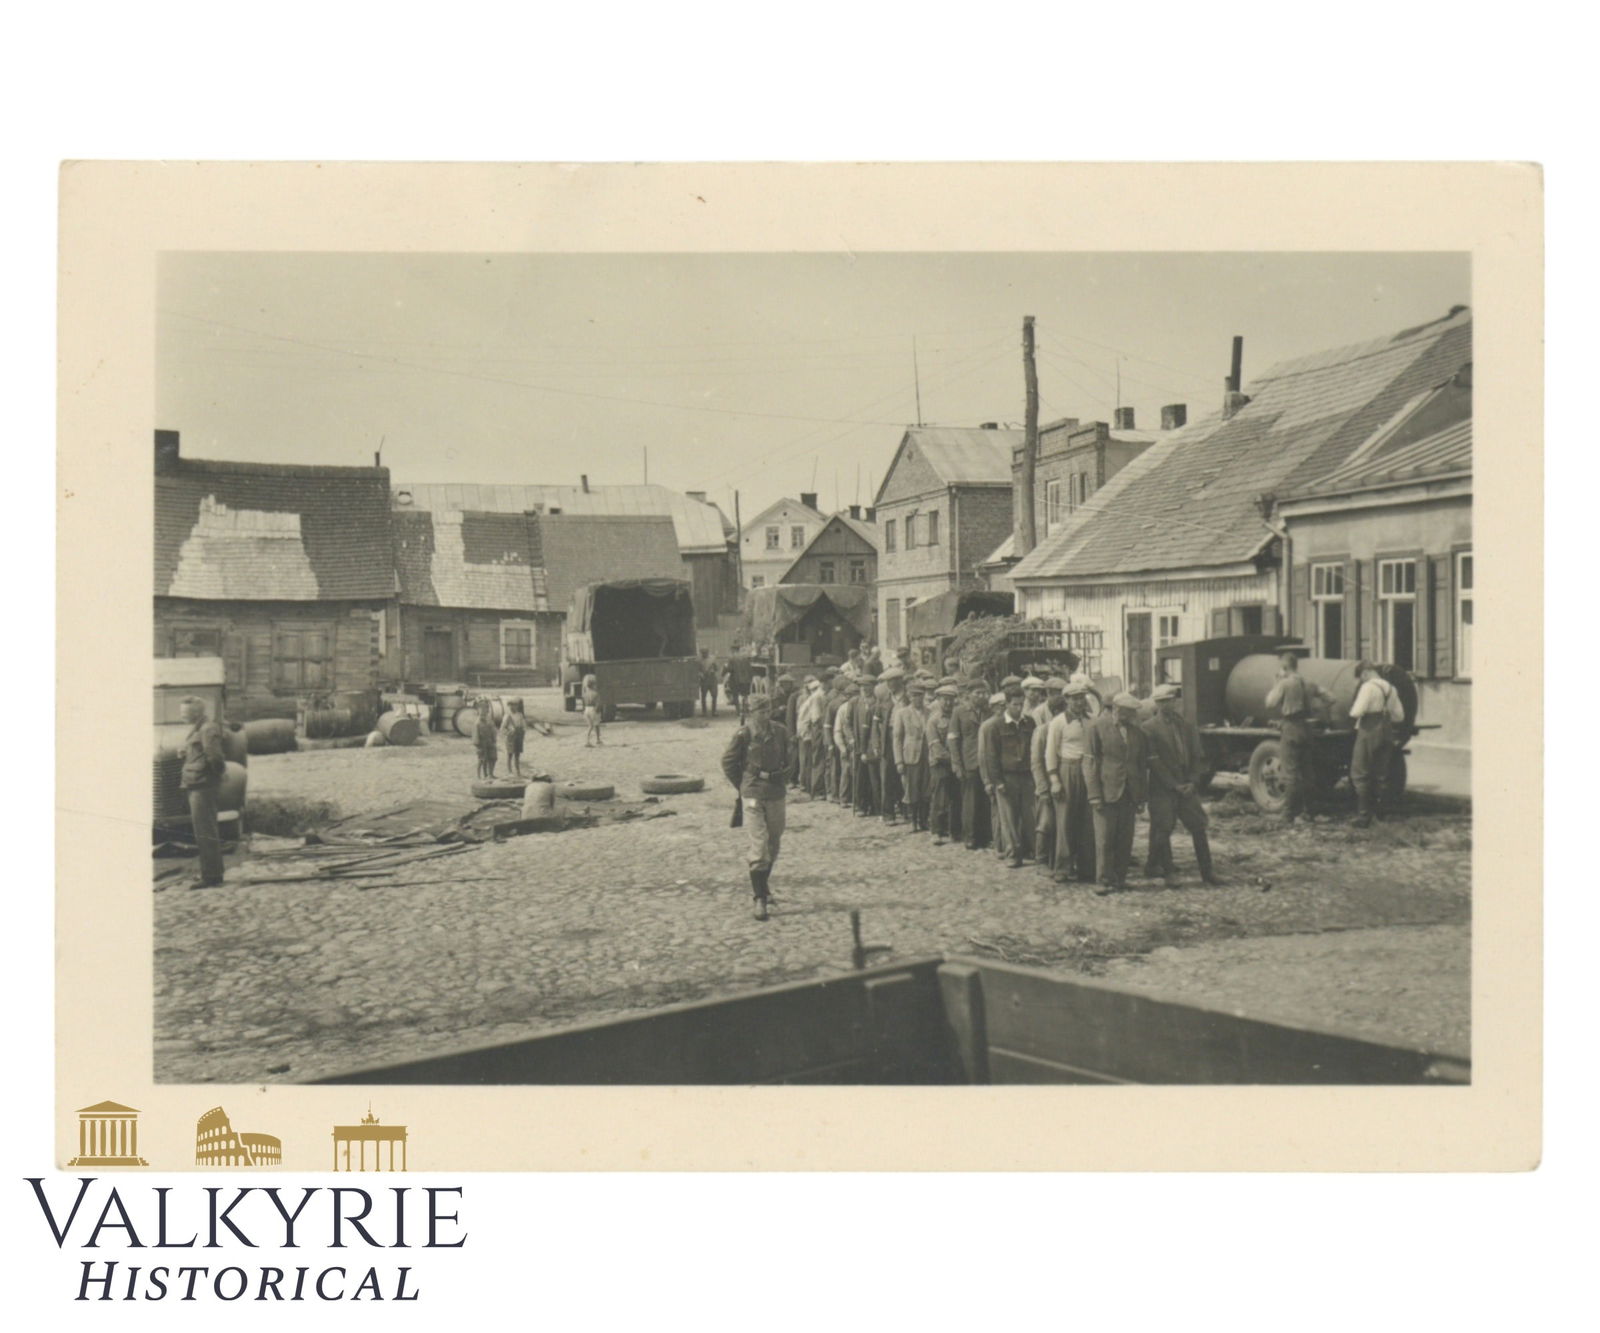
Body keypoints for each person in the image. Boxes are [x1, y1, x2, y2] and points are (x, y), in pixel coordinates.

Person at [1142, 683, 1222, 887]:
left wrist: (1193, 782)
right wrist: (1173, 785)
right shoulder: (1149, 728)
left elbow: (1197, 756)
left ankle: (1207, 872)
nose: (1168, 704)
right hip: (1163, 788)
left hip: (1187, 786)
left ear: (1175, 701)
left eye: (1171, 700)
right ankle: (1168, 872)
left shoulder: (1186, 725)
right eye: (1162, 701)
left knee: (1198, 826)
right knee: (1163, 829)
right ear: (1157, 704)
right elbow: (1153, 761)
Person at [721, 693, 791, 921]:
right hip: (752, 792)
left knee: (774, 842)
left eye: (767, 711)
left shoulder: (780, 731)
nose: (765, 715)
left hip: (775, 791)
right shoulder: (744, 734)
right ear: (752, 713)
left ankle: (764, 885)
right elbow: (729, 762)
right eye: (760, 711)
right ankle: (759, 898)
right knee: (759, 845)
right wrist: (742, 786)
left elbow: (791, 758)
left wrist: (784, 777)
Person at [1084, 692, 1149, 894]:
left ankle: (1120, 878)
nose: (1129, 716)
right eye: (1126, 712)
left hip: (1129, 793)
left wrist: (1141, 797)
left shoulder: (1137, 733)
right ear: (1116, 709)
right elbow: (1090, 762)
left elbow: (1141, 765)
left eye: (1132, 713)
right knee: (1104, 839)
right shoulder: (1096, 727)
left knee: (1125, 839)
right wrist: (1094, 794)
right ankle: (1103, 880)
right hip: (1106, 791)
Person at [1263, 650, 1332, 823]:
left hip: (1291, 728)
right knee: (1308, 772)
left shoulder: (1285, 683)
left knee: (1290, 773)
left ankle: (1287, 814)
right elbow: (1331, 698)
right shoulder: (1309, 683)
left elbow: (1269, 703)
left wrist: (1276, 682)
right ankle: (1310, 812)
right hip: (1307, 728)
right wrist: (1315, 709)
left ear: (1285, 667)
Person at [1047, 681, 1098, 884]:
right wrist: (1054, 780)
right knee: (1065, 819)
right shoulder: (1059, 722)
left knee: (1087, 821)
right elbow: (1050, 752)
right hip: (1068, 770)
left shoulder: (1092, 720)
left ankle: (1087, 867)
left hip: (1089, 771)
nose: (1079, 702)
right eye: (1074, 698)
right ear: (1067, 700)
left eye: (1081, 698)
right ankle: (1063, 867)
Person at [979, 689, 1036, 868]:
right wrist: (997, 781)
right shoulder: (995, 726)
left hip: (1027, 776)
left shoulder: (1030, 723)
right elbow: (991, 756)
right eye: (1015, 704)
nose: (1019, 708)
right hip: (1007, 777)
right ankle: (1013, 854)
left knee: (1030, 816)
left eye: (1021, 704)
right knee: (1009, 819)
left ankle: (1033, 850)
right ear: (1007, 704)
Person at [1348, 659, 1405, 826]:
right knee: (1381, 774)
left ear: (1365, 673)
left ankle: (1364, 816)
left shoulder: (1368, 687)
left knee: (1360, 772)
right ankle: (1381, 814)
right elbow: (1399, 716)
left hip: (1369, 730)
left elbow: (1357, 711)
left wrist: (1352, 712)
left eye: (1361, 678)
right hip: (1386, 731)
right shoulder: (1390, 688)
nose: (1362, 681)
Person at [179, 696, 227, 889]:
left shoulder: (207, 728)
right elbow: (202, 752)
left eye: (185, 713)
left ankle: (212, 875)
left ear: (197, 713)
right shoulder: (198, 728)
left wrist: (214, 776)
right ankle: (212, 872)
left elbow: (215, 757)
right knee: (203, 830)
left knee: (205, 831)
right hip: (197, 783)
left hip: (203, 784)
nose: (181, 716)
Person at [947, 680, 990, 851]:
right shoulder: (959, 712)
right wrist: (957, 763)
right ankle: (970, 836)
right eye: (977, 693)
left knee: (985, 801)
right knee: (970, 801)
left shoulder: (989, 711)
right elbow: (953, 739)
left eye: (983, 693)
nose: (981, 696)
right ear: (969, 694)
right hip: (968, 761)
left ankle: (985, 836)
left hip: (986, 762)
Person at [1031, 693, 1065, 872]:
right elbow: (1036, 761)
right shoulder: (1042, 731)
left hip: (1064, 783)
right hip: (1046, 783)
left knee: (1062, 825)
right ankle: (1041, 860)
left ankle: (1059, 860)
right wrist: (1043, 787)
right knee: (1045, 823)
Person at [893, 679, 931, 833]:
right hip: (910, 755)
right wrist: (899, 761)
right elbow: (897, 738)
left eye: (920, 695)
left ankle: (924, 820)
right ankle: (913, 820)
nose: (918, 699)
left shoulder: (929, 712)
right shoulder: (902, 713)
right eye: (914, 695)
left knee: (926, 789)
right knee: (912, 789)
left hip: (927, 756)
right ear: (909, 696)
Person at [926, 684, 958, 846]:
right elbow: (936, 747)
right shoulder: (933, 720)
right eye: (945, 700)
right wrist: (954, 759)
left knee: (955, 796)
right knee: (940, 796)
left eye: (951, 700)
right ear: (938, 700)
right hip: (940, 763)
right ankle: (936, 831)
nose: (948, 703)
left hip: (956, 763)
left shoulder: (956, 716)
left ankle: (954, 830)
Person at [877, 665, 908, 824]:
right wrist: (878, 743)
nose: (888, 685)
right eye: (887, 682)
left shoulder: (908, 698)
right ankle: (888, 813)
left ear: (899, 681)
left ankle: (906, 808)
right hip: (888, 738)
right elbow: (877, 723)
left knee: (905, 773)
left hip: (906, 737)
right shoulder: (885, 700)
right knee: (888, 776)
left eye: (891, 681)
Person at [832, 678, 858, 807]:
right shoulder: (842, 709)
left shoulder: (861, 707)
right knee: (846, 770)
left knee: (858, 773)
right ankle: (844, 798)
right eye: (850, 696)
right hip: (847, 744)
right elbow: (837, 730)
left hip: (860, 744)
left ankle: (858, 798)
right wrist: (842, 747)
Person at [724, 643, 754, 722]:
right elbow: (750, 668)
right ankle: (745, 709)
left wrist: (724, 670)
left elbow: (730, 669)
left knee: (735, 696)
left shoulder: (732, 658)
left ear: (733, 650)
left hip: (735, 680)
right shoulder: (745, 657)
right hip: (746, 680)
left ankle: (738, 712)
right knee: (744, 695)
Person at [500, 697, 528, 779]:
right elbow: (502, 728)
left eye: (515, 705)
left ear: (517, 706)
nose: (513, 707)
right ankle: (509, 771)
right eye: (511, 706)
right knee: (510, 754)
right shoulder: (507, 716)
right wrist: (508, 732)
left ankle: (517, 770)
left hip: (518, 736)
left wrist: (523, 731)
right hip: (511, 737)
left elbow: (524, 725)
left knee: (517, 755)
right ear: (509, 706)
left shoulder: (520, 715)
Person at [475, 704, 500, 776]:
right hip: (481, 743)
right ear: (478, 711)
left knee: (493, 758)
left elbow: (493, 730)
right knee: (482, 760)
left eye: (485, 709)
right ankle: (479, 775)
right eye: (481, 709)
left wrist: (494, 739)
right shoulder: (477, 722)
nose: (483, 711)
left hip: (490, 741)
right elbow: (475, 734)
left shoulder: (489, 719)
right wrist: (478, 744)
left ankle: (490, 774)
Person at [582, 673, 604, 747]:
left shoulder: (585, 694)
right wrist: (598, 710)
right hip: (593, 709)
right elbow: (598, 703)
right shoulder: (596, 693)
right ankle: (597, 740)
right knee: (596, 725)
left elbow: (584, 703)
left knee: (590, 725)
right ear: (593, 685)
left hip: (586, 709)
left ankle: (588, 740)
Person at [697, 647, 720, 718]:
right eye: (703, 653)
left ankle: (714, 711)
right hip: (704, 680)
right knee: (703, 697)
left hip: (712, 679)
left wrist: (714, 669)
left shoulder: (712, 659)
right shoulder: (699, 660)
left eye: (705, 652)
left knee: (714, 696)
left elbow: (717, 668)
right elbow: (697, 670)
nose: (704, 654)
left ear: (707, 652)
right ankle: (704, 712)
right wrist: (700, 674)